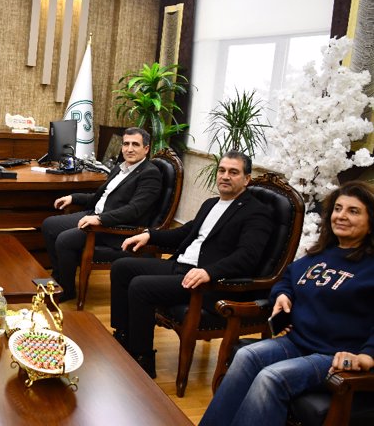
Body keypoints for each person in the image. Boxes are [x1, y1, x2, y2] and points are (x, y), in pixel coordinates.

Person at [200, 181, 374, 426]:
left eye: (353, 211)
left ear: (371, 223)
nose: (341, 216)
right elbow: (287, 278)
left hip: (332, 355)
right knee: (247, 356)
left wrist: (367, 357)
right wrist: (282, 295)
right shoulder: (320, 254)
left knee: (271, 377)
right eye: (338, 209)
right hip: (297, 342)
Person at [110, 151, 272, 377]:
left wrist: (209, 272)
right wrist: (150, 235)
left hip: (207, 282)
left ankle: (142, 359)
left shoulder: (256, 212)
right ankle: (123, 337)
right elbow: (185, 232)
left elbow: (247, 257)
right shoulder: (211, 203)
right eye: (222, 170)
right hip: (181, 266)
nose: (225, 176)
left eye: (233, 172)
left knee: (140, 286)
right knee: (121, 267)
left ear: (246, 179)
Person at [41, 127, 162, 301]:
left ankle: (67, 290)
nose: (129, 149)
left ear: (146, 148)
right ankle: (58, 279)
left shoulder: (150, 174)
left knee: (64, 239)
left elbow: (134, 210)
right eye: (126, 144)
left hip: (114, 227)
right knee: (49, 225)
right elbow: (99, 197)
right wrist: (73, 197)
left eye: (135, 144)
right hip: (96, 214)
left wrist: (100, 219)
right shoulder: (120, 168)